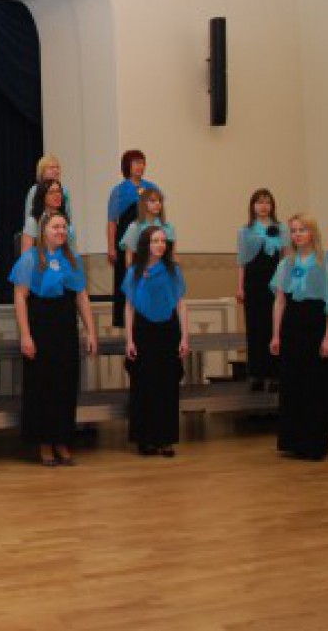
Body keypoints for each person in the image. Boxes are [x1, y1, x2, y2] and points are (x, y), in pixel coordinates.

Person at [10, 213, 98, 467]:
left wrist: (91, 331)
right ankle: (45, 444)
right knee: (42, 386)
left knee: (65, 385)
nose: (61, 231)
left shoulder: (72, 259)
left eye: (64, 227)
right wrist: (25, 335)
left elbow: (81, 296)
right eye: (55, 227)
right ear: (43, 230)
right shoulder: (30, 258)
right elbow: (20, 297)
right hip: (40, 326)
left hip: (65, 327)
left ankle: (62, 441)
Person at [270, 213, 328, 462]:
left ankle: (314, 444)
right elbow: (280, 301)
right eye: (293, 231)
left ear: (312, 232)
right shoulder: (286, 264)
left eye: (302, 229)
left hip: (316, 324)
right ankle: (293, 441)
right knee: (293, 384)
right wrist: (276, 335)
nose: (297, 234)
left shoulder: (327, 263)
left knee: (316, 386)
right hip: (292, 325)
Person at [123, 226, 190, 458]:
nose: (160, 245)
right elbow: (129, 307)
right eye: (155, 240)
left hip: (168, 330)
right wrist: (129, 340)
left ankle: (166, 439)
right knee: (144, 385)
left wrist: (185, 337)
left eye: (163, 241)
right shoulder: (134, 271)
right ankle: (145, 439)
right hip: (143, 330)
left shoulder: (173, 270)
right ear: (146, 244)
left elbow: (181, 304)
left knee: (167, 385)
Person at [236, 189, 287, 391]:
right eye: (259, 202)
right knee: (255, 327)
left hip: (275, 283)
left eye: (267, 202)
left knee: (274, 327)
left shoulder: (281, 229)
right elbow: (242, 262)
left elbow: (285, 258)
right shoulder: (245, 231)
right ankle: (256, 373)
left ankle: (275, 374)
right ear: (253, 206)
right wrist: (240, 287)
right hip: (253, 283)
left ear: (272, 206)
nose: (263, 206)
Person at [107, 149, 160, 328]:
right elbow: (112, 221)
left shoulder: (152, 187)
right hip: (126, 242)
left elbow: (159, 214)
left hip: (149, 241)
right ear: (127, 166)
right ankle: (129, 325)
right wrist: (111, 247)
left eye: (142, 162)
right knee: (129, 280)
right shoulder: (118, 191)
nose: (140, 166)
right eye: (136, 162)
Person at [119, 187, 175, 267]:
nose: (157, 203)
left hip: (165, 270)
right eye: (153, 201)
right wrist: (131, 273)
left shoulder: (168, 227)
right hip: (142, 270)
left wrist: (176, 271)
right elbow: (129, 257)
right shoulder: (135, 227)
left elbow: (173, 255)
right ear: (143, 204)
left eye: (160, 201)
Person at [22, 154, 73, 240]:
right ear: (42, 172)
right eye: (51, 168)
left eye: (57, 167)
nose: (56, 170)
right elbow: (29, 215)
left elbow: (68, 215)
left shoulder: (65, 191)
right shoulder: (34, 190)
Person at [21, 178, 75, 253]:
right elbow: (26, 254)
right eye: (51, 192)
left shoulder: (63, 218)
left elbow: (71, 248)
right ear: (42, 196)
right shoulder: (33, 221)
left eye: (59, 191)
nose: (57, 195)